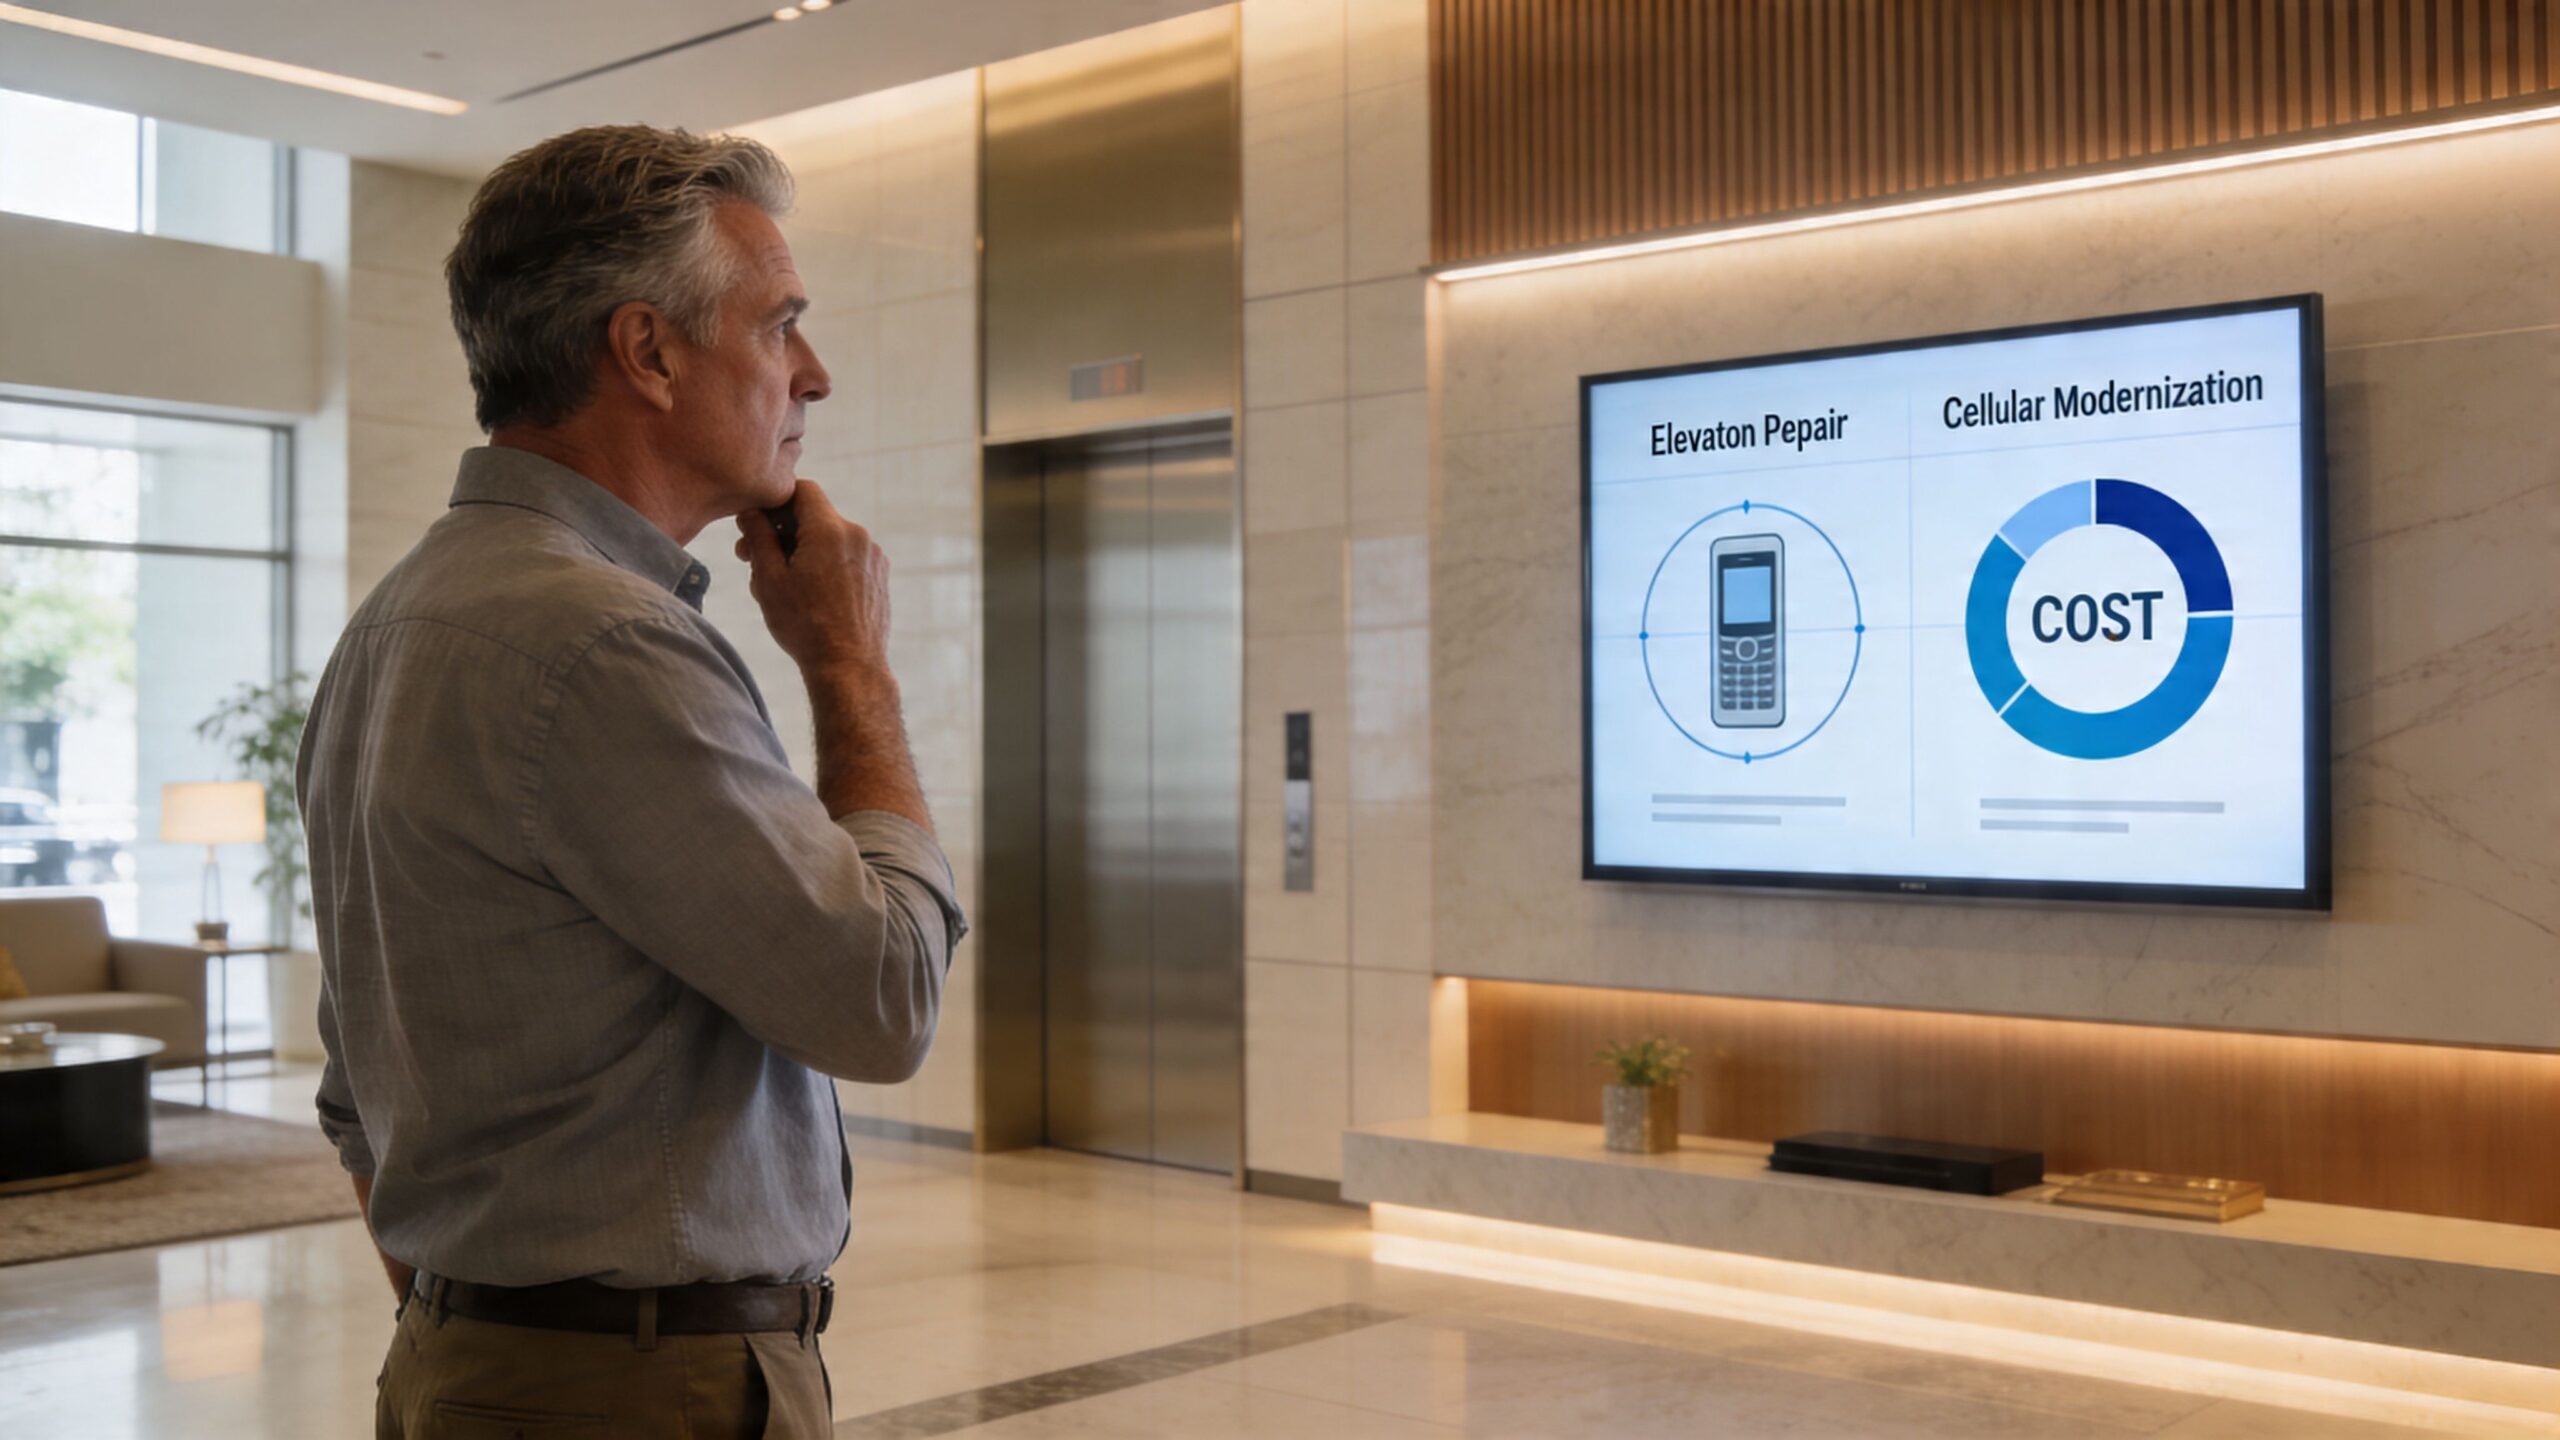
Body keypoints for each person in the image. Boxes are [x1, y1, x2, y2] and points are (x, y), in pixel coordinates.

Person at [295, 124, 966, 1439]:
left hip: (481, 1363)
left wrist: (488, 1334)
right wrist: (850, 668)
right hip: (643, 1390)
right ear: (648, 352)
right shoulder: (602, 641)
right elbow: (883, 1002)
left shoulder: (398, 620)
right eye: (781, 326)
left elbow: (354, 1098)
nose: (814, 374)